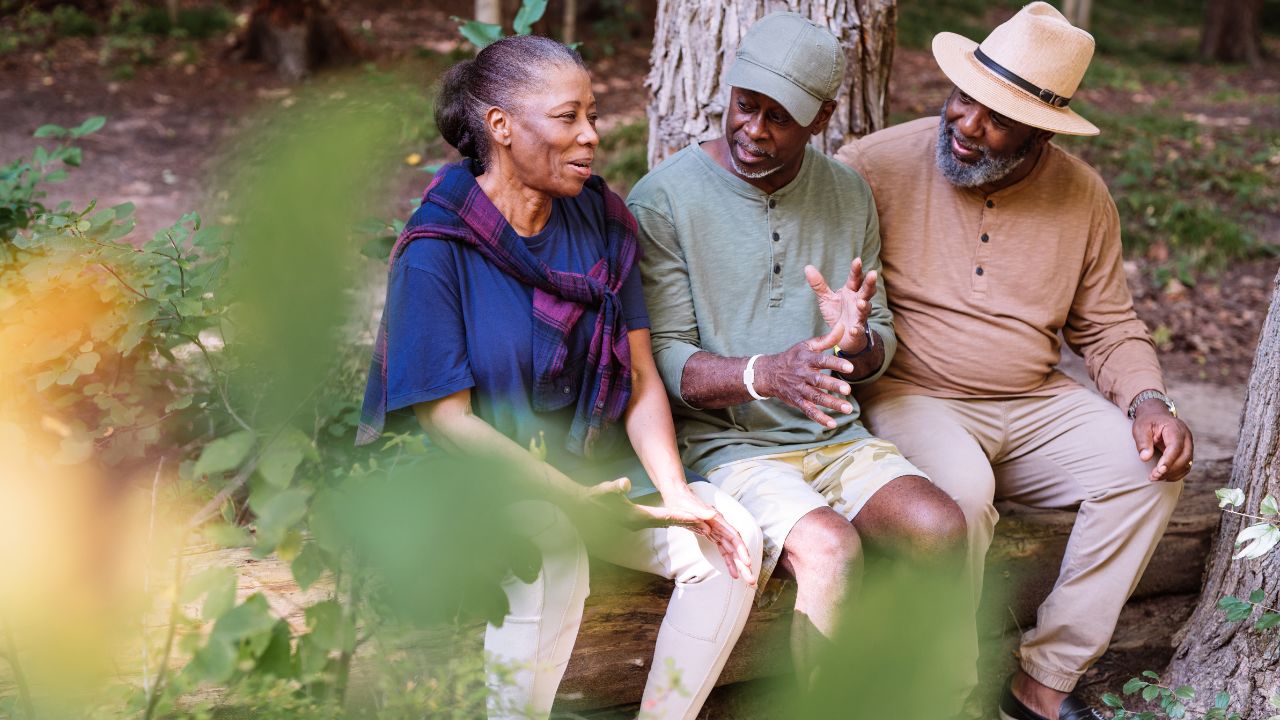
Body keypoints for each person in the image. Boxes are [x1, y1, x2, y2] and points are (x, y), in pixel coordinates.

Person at [356, 35, 763, 720]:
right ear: (501, 127)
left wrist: (674, 492)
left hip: (593, 472)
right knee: (550, 546)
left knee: (730, 537)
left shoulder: (599, 217)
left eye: (594, 116)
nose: (592, 137)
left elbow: (638, 377)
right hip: (479, 483)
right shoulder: (436, 248)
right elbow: (449, 422)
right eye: (568, 117)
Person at [834, 4, 1193, 719]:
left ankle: (1042, 682)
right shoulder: (872, 165)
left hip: (1033, 399)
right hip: (914, 393)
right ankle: (948, 697)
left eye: (997, 118)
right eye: (964, 97)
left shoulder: (1083, 196)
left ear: (1042, 130)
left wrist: (1150, 401)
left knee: (1144, 472)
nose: (967, 125)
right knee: (959, 497)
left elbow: (1109, 324)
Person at [627, 12, 967, 690]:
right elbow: (663, 361)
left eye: (779, 118)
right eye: (745, 106)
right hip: (728, 450)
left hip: (837, 439)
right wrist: (765, 374)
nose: (754, 130)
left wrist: (858, 340)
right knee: (830, 549)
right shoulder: (663, 200)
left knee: (940, 527)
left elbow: (882, 346)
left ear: (821, 120)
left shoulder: (847, 192)